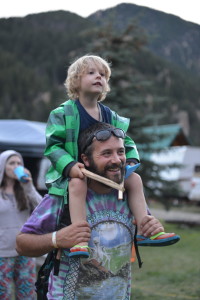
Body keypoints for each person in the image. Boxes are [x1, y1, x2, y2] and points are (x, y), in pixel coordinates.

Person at [16, 122, 177, 300]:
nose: (117, 160)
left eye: (121, 152)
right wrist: (58, 239)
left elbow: (141, 230)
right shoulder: (63, 197)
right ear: (86, 159)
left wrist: (150, 228)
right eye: (106, 153)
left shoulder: (130, 194)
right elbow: (22, 244)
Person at [44, 54, 178, 257]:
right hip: (78, 172)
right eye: (91, 73)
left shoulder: (111, 116)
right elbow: (53, 146)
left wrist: (131, 161)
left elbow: (127, 141)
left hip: (105, 173)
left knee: (134, 179)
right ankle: (79, 239)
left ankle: (144, 227)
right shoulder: (63, 113)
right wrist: (70, 165)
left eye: (103, 74)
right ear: (76, 80)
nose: (98, 77)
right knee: (77, 183)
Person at [0, 150, 42, 299]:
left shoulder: (25, 190)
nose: (16, 166)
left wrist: (29, 186)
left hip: (24, 251)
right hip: (2, 253)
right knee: (3, 294)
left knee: (27, 293)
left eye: (19, 163)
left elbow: (42, 209)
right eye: (12, 163)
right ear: (3, 166)